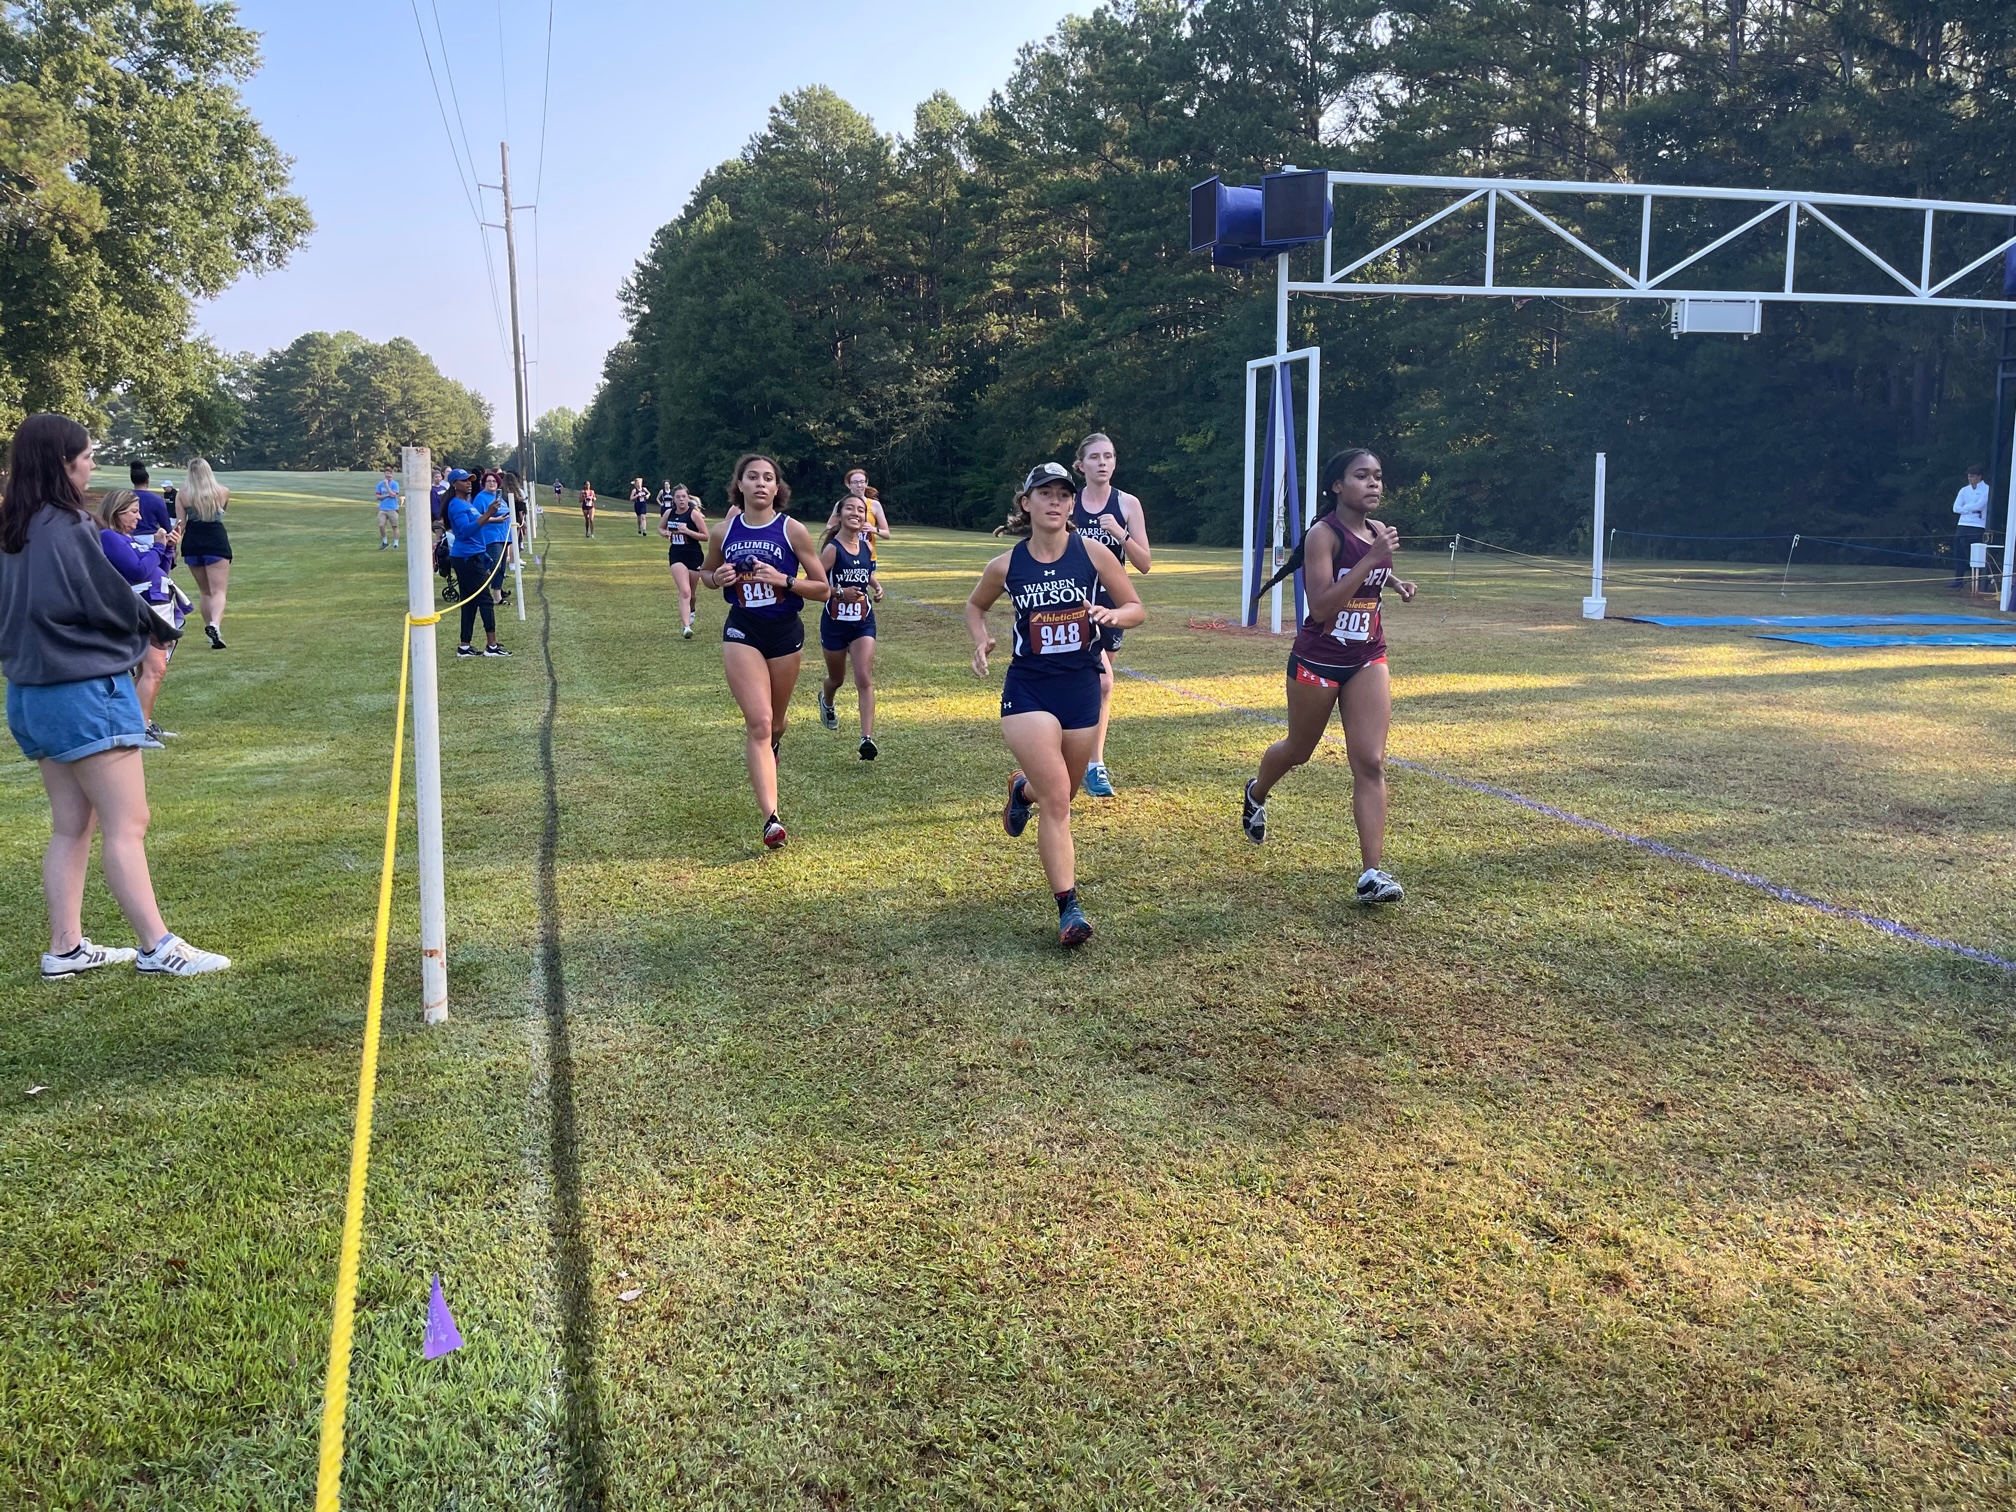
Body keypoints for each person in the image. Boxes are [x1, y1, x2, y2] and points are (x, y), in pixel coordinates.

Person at [0, 414, 228, 977]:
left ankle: (65, 949)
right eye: (87, 455)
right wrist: (153, 630)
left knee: (72, 824)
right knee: (128, 822)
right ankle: (157, 946)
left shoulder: (11, 526)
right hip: (83, 692)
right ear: (63, 463)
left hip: (30, 694)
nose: (94, 463)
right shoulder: (68, 525)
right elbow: (106, 601)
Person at [965, 462, 1144, 948]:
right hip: (1029, 689)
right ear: (1026, 503)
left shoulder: (1093, 552)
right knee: (1059, 800)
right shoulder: (1006, 565)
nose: (1056, 502)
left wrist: (1114, 615)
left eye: (1064, 494)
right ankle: (1069, 909)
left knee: (1060, 793)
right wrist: (980, 639)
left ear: (1071, 504)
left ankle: (1021, 790)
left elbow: (1136, 608)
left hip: (1081, 685)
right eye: (1045, 493)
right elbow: (976, 605)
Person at [1239, 448, 1416, 904]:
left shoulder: (1376, 531)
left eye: (1378, 476)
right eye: (1362, 476)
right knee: (1299, 750)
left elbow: (1373, 574)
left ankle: (1372, 874)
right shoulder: (1324, 535)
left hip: (1367, 656)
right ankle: (1257, 792)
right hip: (1318, 660)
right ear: (1337, 485)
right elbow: (1320, 606)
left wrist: (1396, 583)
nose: (1373, 484)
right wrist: (1371, 559)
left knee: (1370, 761)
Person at [700, 453, 830, 848]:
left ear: (777, 488)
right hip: (743, 628)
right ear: (739, 485)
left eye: (768, 478)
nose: (760, 483)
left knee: (775, 723)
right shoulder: (723, 531)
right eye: (752, 477)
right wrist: (717, 577)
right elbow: (706, 574)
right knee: (758, 721)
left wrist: (784, 579)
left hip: (784, 632)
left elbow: (822, 589)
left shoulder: (792, 530)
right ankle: (771, 820)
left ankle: (774, 743)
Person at [1068, 433, 1151, 798]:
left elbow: (1144, 563)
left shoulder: (1127, 504)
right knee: (1102, 682)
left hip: (1112, 606)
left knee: (1095, 686)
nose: (1102, 462)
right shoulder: (1070, 503)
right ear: (1081, 465)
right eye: (1095, 457)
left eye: (1109, 456)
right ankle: (1093, 764)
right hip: (1074, 603)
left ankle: (1083, 757)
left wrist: (1120, 534)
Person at [94, 488, 187, 741]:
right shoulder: (109, 537)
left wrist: (168, 549)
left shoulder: (129, 539)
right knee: (155, 668)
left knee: (150, 668)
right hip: (141, 609)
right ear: (117, 512)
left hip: (155, 605)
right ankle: (139, 729)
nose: (139, 517)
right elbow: (138, 571)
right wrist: (157, 546)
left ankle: (138, 724)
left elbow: (160, 570)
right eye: (133, 512)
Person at [817, 494, 883, 759]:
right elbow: (815, 583)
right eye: (850, 509)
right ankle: (827, 700)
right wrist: (839, 593)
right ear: (840, 515)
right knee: (837, 679)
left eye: (860, 510)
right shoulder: (832, 549)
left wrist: (876, 586)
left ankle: (866, 739)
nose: (856, 513)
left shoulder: (866, 546)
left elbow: (865, 573)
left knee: (864, 677)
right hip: (834, 624)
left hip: (862, 622)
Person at [444, 473, 510, 657]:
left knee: (470, 601)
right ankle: (492, 646)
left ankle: (464, 647)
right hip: (467, 557)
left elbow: (477, 522)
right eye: (464, 480)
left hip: (472, 555)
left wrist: (492, 517)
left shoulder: (466, 503)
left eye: (470, 480)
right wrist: (488, 513)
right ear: (454, 484)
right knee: (485, 600)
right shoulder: (456, 505)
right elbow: (465, 531)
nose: (469, 483)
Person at [177, 458, 232, 649]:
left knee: (205, 591)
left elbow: (181, 524)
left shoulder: (183, 495)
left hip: (192, 542)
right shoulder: (223, 492)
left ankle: (211, 632)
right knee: (219, 591)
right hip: (216, 541)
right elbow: (221, 514)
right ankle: (215, 625)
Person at [659, 483, 707, 638]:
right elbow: (660, 528)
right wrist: (665, 533)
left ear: (688, 498)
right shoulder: (669, 513)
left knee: (691, 594)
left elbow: (705, 536)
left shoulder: (694, 514)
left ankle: (692, 609)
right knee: (685, 591)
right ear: (673, 499)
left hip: (693, 555)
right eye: (678, 497)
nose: (681, 500)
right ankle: (686, 627)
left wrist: (687, 531)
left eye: (684, 497)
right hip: (676, 554)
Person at [824, 467, 891, 555]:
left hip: (868, 556)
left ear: (866, 483)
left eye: (862, 482)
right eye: (855, 482)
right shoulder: (841, 504)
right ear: (848, 484)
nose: (859, 485)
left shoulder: (875, 505)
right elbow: (829, 526)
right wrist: (844, 528)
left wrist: (873, 529)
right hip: (845, 555)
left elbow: (887, 534)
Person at [127, 461, 179, 569]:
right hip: (150, 540)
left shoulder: (125, 498)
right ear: (147, 480)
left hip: (129, 540)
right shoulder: (156, 500)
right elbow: (166, 526)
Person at [1952, 464, 1990, 589]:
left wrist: (1965, 508)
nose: (1970, 479)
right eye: (1969, 476)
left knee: (1975, 554)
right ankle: (1958, 580)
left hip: (1977, 525)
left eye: (1972, 476)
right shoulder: (1964, 490)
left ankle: (1980, 581)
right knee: (1959, 553)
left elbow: (1979, 506)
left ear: (1979, 477)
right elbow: (1955, 508)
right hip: (1962, 524)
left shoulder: (1986, 489)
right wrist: (1970, 510)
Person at [374, 466, 402, 549]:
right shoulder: (380, 484)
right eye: (387, 473)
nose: (388, 475)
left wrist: (387, 486)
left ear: (392, 474)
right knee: (381, 525)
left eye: (390, 473)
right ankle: (385, 542)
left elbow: (393, 495)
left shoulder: (395, 484)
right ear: (384, 474)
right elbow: (378, 497)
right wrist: (387, 495)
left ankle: (396, 544)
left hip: (392, 508)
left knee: (394, 526)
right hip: (383, 508)